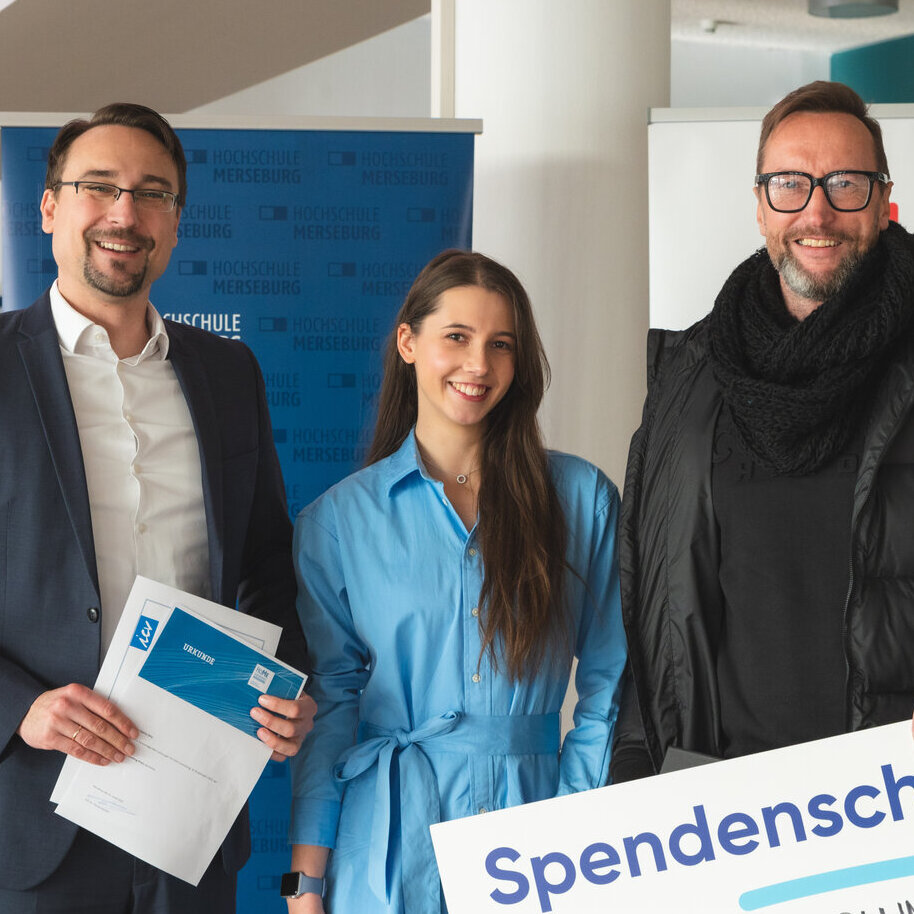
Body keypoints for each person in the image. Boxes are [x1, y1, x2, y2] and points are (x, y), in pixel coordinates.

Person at [0, 103, 315, 913]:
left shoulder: (228, 374)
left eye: (152, 193)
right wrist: (20, 709)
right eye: (98, 186)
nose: (124, 212)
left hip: (192, 815)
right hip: (34, 816)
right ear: (49, 207)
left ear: (175, 223)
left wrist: (289, 685)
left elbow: (266, 562)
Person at [281, 250, 626, 913]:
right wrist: (305, 886)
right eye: (458, 337)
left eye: (501, 345)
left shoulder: (580, 499)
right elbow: (332, 703)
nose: (479, 365)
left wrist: (576, 827)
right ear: (408, 343)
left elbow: (610, 680)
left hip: (542, 845)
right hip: (384, 848)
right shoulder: (337, 521)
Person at [611, 80, 914, 784]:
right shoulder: (690, 373)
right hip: (727, 813)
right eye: (789, 184)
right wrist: (634, 761)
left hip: (890, 806)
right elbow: (654, 597)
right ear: (759, 206)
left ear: (882, 202)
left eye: (845, 183)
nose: (817, 211)